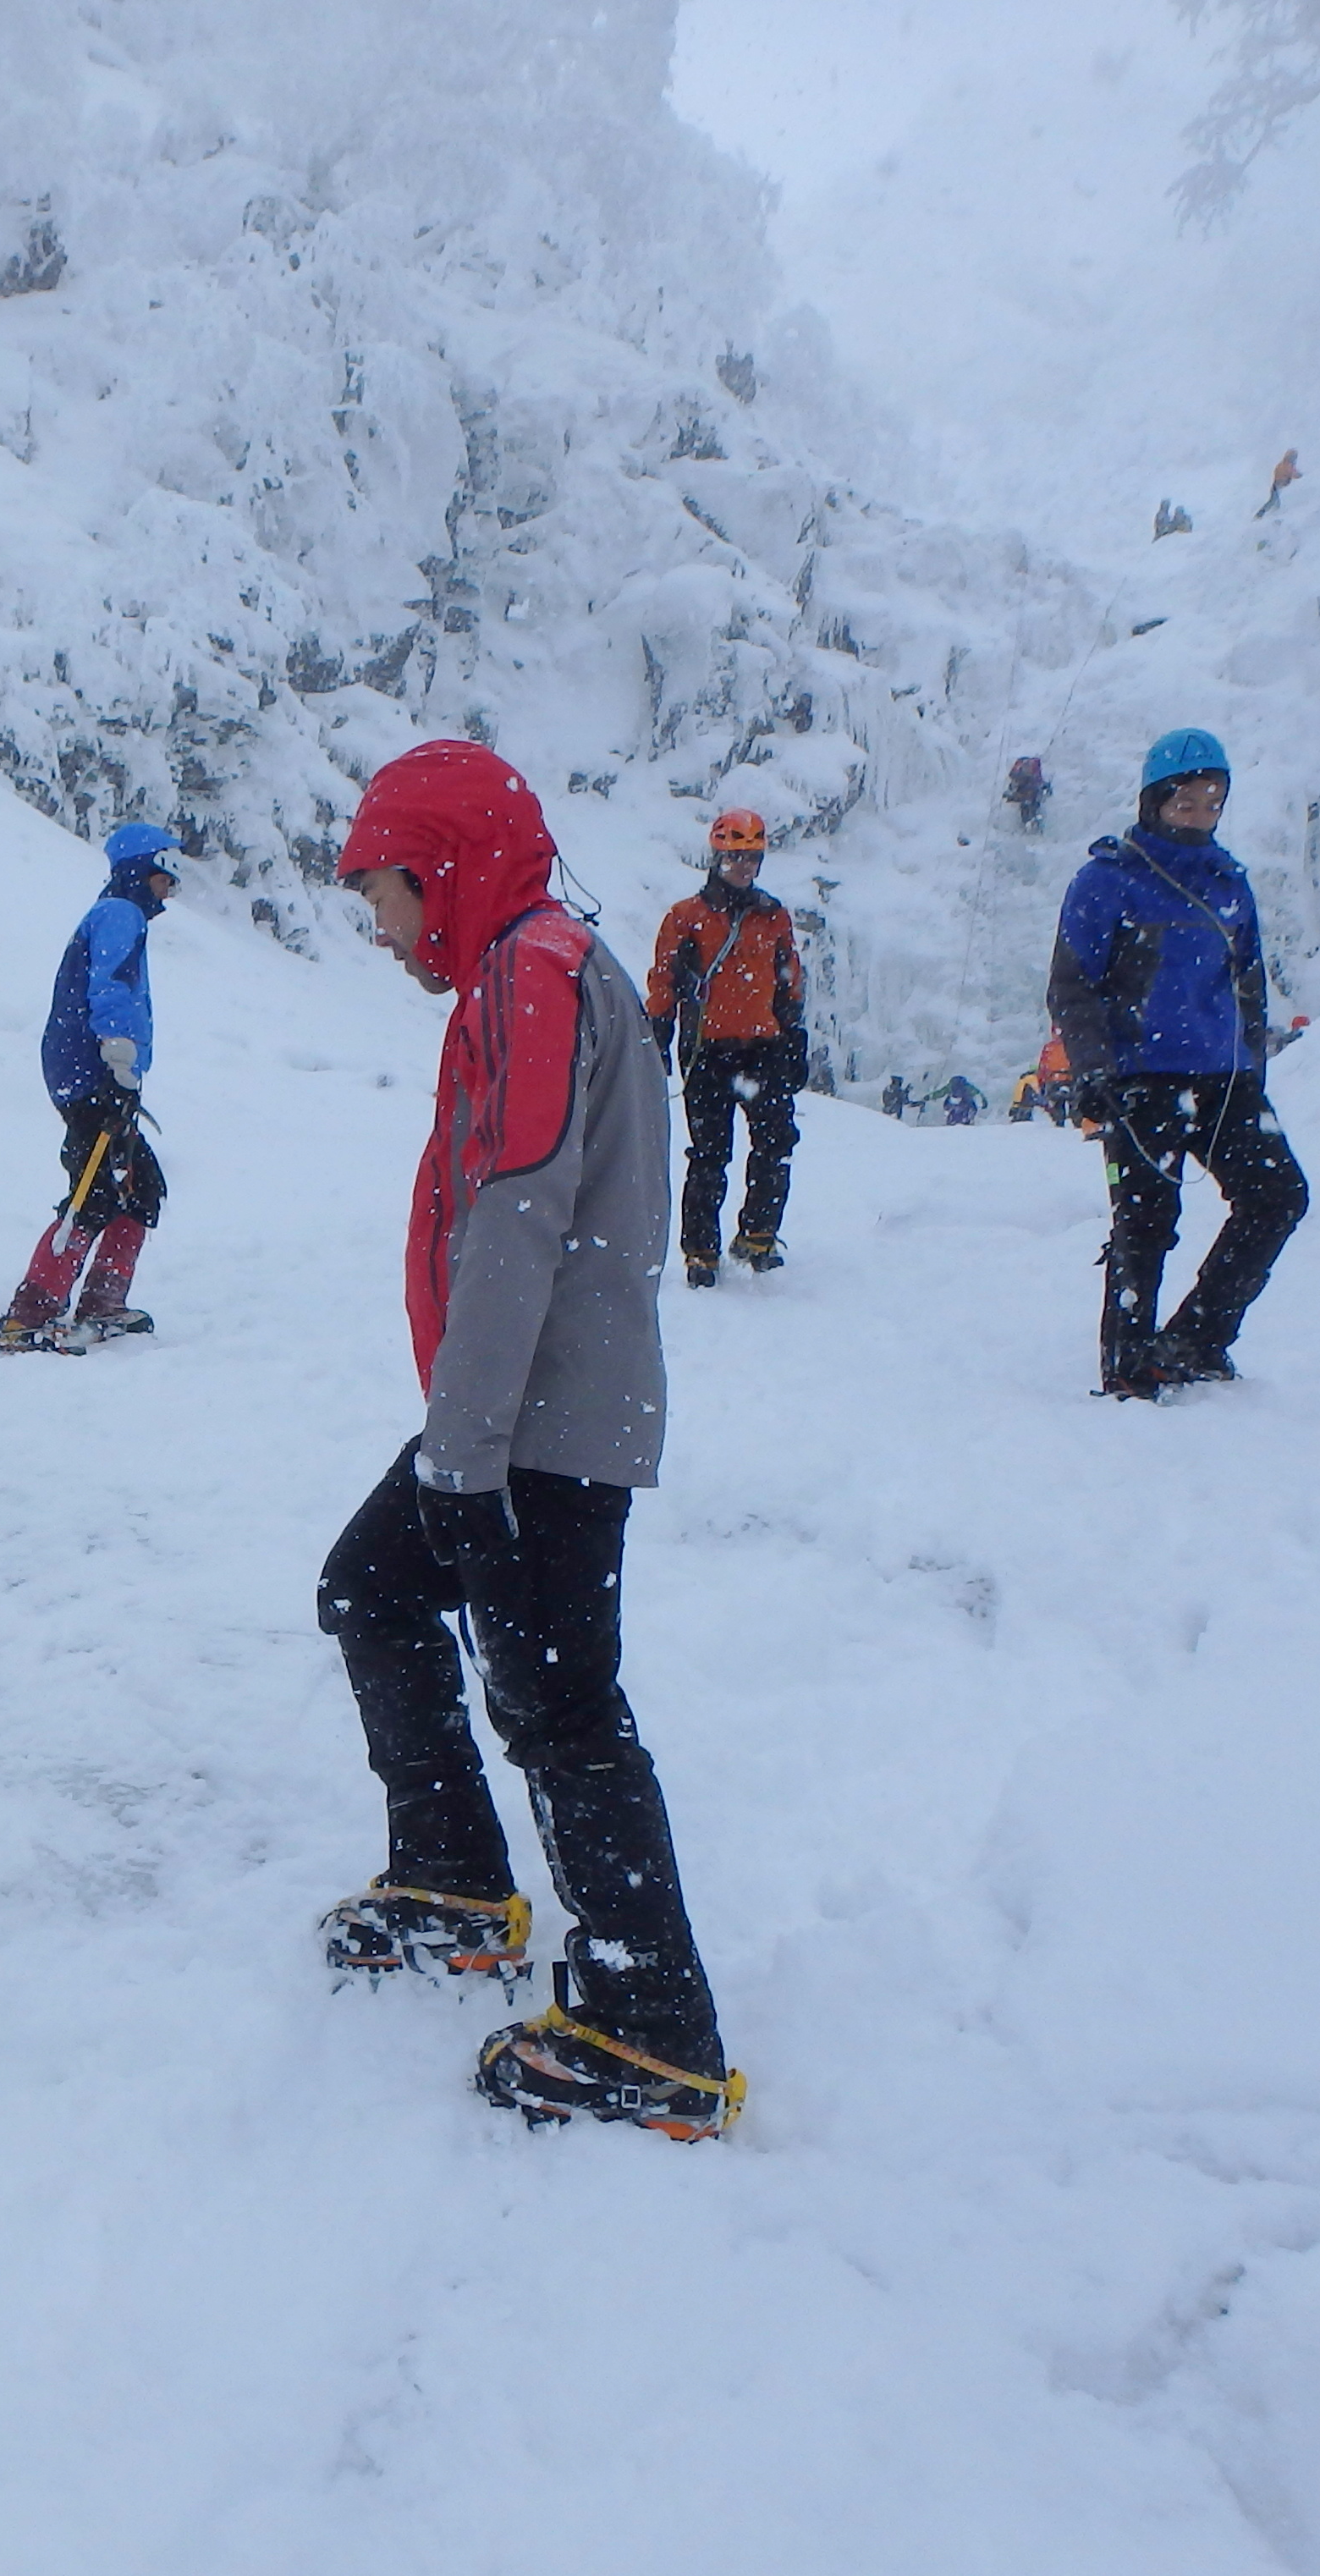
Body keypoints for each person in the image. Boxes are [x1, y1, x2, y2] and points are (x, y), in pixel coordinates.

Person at [309, 740, 741, 2143]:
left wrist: (465, 1452)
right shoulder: (541, 963)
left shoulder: (532, 972)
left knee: (561, 1706)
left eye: (378, 894)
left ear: (437, 869)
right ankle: (449, 1873)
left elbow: (517, 1211)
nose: (379, 929)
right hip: (521, 1416)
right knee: (374, 1590)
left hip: (535, 1429)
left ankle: (651, 2025)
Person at [1047, 729, 1311, 1395]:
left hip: (1222, 1079)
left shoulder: (1229, 882)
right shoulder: (1107, 880)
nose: (1198, 815)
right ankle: (1129, 1365)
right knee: (1145, 1224)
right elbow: (1073, 985)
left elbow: (1247, 982)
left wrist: (1251, 1066)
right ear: (1153, 802)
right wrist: (1093, 1069)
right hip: (1139, 1078)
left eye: (1211, 802)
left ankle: (1196, 1339)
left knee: (1278, 1198)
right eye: (1184, 802)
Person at [0, 822, 179, 1353]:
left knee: (139, 1186)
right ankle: (29, 1315)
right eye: (168, 869)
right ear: (143, 867)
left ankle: (103, 1302)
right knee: (94, 1189)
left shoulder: (120, 913)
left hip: (96, 1070)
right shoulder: (120, 914)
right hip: (91, 1070)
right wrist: (118, 1054)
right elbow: (111, 984)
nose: (173, 885)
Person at [641, 808, 809, 1280]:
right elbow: (663, 981)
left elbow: (788, 979)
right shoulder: (686, 918)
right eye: (736, 856)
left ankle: (758, 1235)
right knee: (710, 1155)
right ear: (717, 858)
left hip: (764, 1049)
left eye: (752, 858)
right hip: (707, 1051)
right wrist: (658, 1034)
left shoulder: (773, 916)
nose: (744, 866)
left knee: (776, 1144)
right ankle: (701, 1252)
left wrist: (794, 1036)